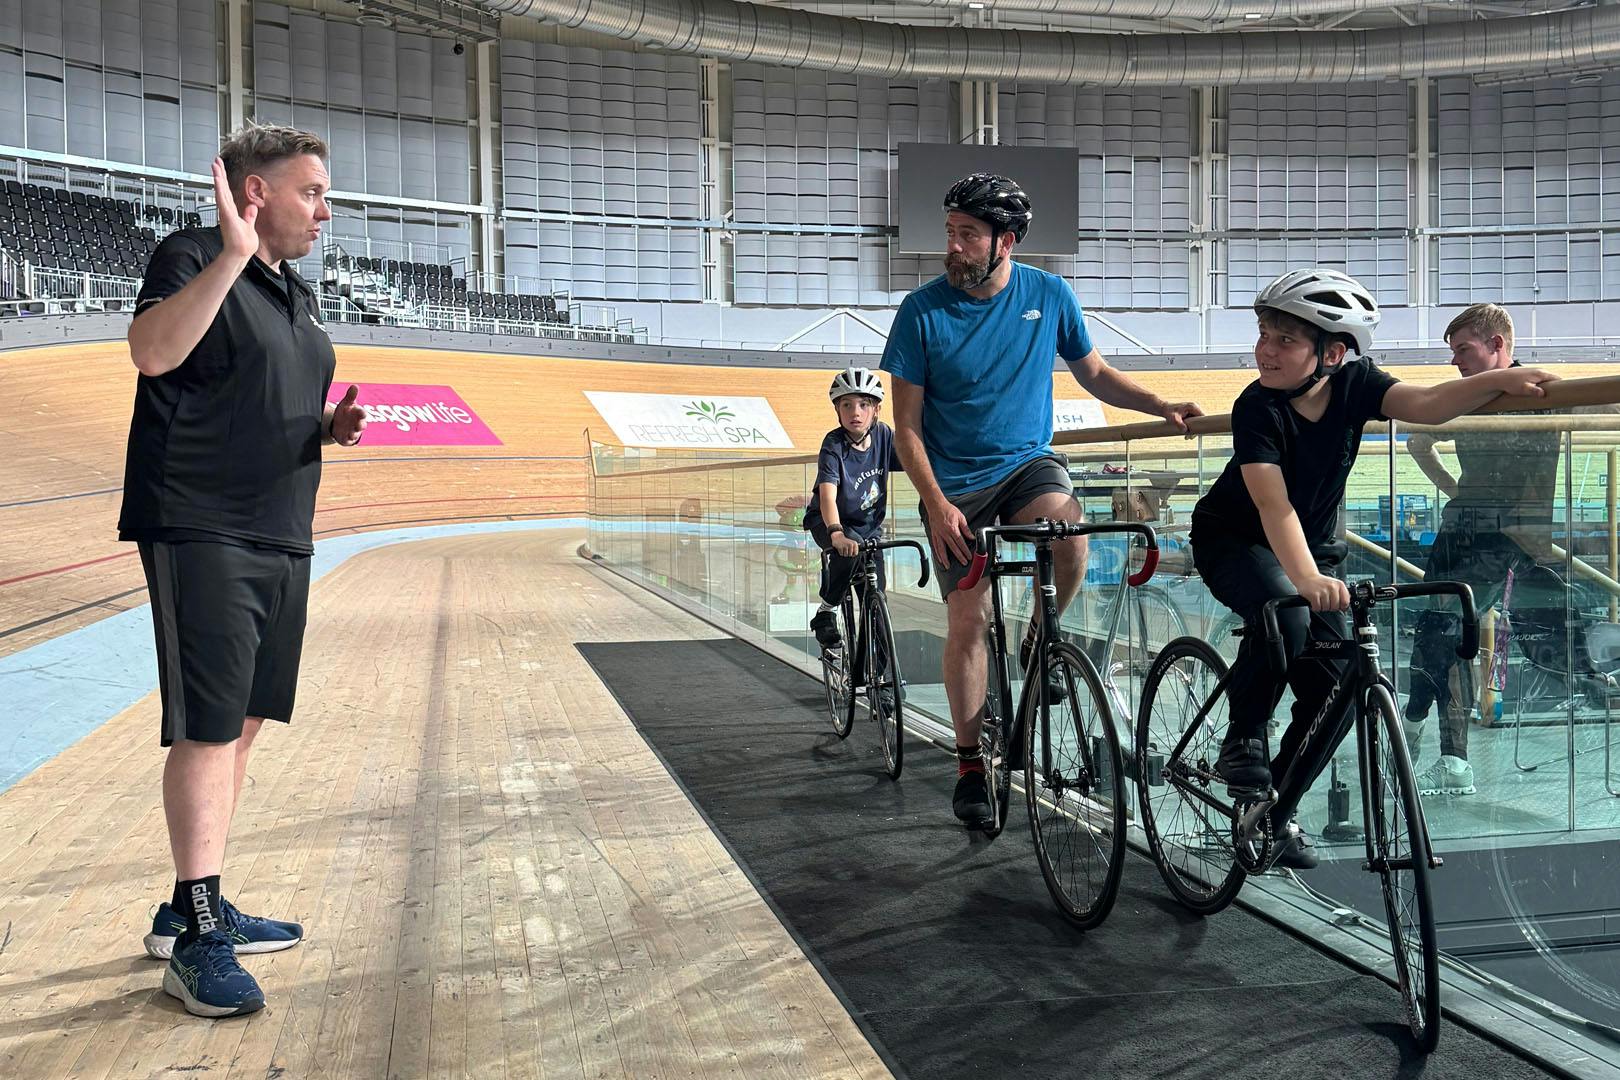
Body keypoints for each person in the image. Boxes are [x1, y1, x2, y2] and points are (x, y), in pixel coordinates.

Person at [119, 123, 366, 1017]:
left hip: (281, 534)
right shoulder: (191, 257)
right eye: (312, 192)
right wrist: (230, 252)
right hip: (201, 525)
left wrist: (328, 430)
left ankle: (195, 897)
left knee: (245, 724)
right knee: (210, 728)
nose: (325, 211)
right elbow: (153, 354)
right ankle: (196, 938)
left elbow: (267, 404)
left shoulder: (293, 295)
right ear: (255, 194)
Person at [1190, 270, 1555, 869]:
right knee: (1286, 613)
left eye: (1284, 339)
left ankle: (1271, 813)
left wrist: (1504, 379)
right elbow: (1272, 505)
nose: (1266, 350)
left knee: (1337, 689)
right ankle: (1242, 739)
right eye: (1264, 334)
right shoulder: (1255, 406)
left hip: (1312, 548)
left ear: (1333, 353)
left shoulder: (1357, 382)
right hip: (1235, 540)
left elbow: (1430, 404)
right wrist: (1306, 583)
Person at [882, 172, 1204, 826]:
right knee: (968, 619)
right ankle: (971, 763)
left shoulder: (1049, 294)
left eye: (967, 235)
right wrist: (937, 504)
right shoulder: (920, 311)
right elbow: (907, 427)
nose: (954, 246)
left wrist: (1160, 402)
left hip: (1027, 464)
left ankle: (1039, 637)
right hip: (954, 485)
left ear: (1006, 242)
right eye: (950, 233)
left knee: (1073, 540)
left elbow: (1097, 374)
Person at [1403, 303, 1618, 797]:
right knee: (1438, 638)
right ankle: (1437, 747)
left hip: (1508, 540)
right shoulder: (1471, 398)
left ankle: (1423, 735)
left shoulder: (1546, 393)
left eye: (1464, 350)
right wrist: (1456, 492)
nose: (1456, 362)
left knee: (1441, 638)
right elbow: (1417, 442)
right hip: (1474, 535)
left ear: (1498, 344)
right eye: (1453, 352)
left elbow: (1418, 445)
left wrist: (1457, 492)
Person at [805, 366, 901, 654]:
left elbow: (917, 461)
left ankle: (882, 685)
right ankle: (826, 611)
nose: (855, 412)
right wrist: (835, 534)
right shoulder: (833, 444)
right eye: (846, 405)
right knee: (849, 550)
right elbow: (827, 496)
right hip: (828, 521)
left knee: (877, 604)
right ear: (837, 410)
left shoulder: (885, 436)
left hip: (868, 529)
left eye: (863, 404)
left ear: (876, 410)